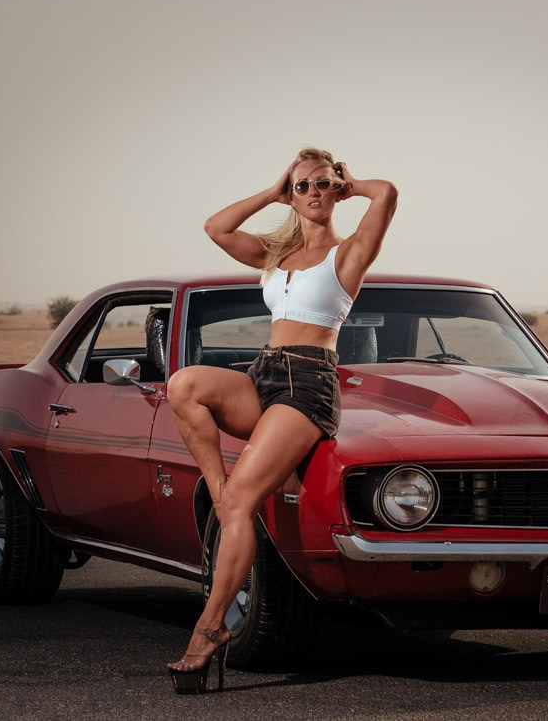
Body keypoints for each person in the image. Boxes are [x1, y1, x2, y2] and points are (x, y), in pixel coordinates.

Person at [165, 147, 397, 692]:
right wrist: (272, 191)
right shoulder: (275, 254)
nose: (313, 193)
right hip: (263, 372)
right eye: (302, 186)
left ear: (336, 189)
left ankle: (209, 630)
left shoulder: (348, 256)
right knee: (185, 384)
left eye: (322, 184)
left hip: (308, 383)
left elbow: (386, 194)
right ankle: (220, 490)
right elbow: (215, 227)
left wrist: (350, 181)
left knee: (242, 505)